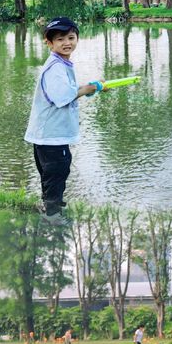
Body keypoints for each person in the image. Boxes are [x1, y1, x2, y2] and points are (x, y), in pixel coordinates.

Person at [24, 16, 105, 224]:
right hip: (51, 135)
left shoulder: (61, 63)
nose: (67, 43)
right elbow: (61, 97)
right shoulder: (56, 68)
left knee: (54, 173)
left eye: (71, 37)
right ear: (49, 43)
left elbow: (67, 91)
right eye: (60, 39)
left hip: (48, 135)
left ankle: (52, 205)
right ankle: (52, 216)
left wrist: (89, 88)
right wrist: (86, 89)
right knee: (57, 172)